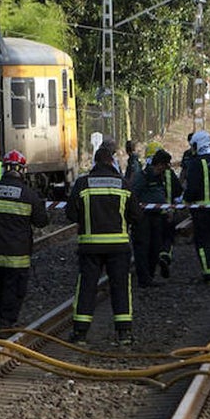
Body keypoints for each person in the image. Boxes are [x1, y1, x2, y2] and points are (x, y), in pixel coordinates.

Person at [66, 144, 141, 345]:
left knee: (87, 287)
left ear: (95, 162)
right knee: (121, 287)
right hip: (119, 247)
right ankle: (124, 333)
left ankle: (80, 333)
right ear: (112, 162)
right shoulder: (123, 184)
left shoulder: (83, 184)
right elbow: (136, 215)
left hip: (90, 246)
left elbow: (71, 214)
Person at [0, 150, 49, 333]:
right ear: (23, 170)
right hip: (18, 257)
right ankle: (5, 325)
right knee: (13, 292)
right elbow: (42, 222)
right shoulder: (29, 195)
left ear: (4, 168)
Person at [131, 146, 183, 286]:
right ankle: (144, 279)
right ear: (159, 164)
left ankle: (150, 276)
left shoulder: (160, 177)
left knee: (155, 247)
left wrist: (168, 210)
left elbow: (164, 195)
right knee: (142, 248)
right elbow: (133, 195)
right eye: (165, 165)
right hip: (143, 218)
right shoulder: (143, 176)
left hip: (157, 217)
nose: (166, 169)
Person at [183, 130, 210, 284]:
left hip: (202, 211)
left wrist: (185, 201)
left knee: (202, 243)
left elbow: (193, 188)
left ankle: (209, 274)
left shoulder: (197, 163)